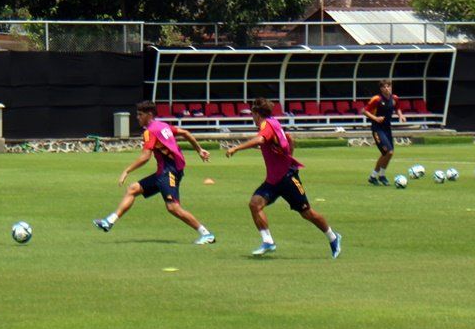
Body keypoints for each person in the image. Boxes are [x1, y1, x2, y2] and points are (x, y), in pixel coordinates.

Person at [225, 98, 341, 258]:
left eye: (252, 115)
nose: (252, 118)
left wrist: (236, 148)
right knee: (255, 204)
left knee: (307, 213)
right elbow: (289, 138)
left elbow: (260, 140)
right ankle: (268, 241)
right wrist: (287, 155)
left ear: (257, 114)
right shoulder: (274, 122)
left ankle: (333, 237)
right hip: (274, 179)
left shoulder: (266, 125)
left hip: (287, 178)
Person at [93, 101, 215, 245]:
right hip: (164, 172)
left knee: (173, 207)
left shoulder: (149, 132)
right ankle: (109, 221)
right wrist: (199, 150)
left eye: (140, 115)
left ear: (149, 115)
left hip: (169, 172)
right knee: (133, 189)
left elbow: (145, 157)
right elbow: (185, 132)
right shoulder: (162, 125)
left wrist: (127, 170)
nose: (137, 117)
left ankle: (206, 234)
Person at [363, 80, 406, 186]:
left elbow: (397, 108)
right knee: (388, 152)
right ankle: (376, 176)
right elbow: (364, 111)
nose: (387, 89)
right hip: (377, 129)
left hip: (387, 129)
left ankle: (377, 176)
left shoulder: (395, 98)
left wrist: (400, 115)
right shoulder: (376, 99)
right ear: (381, 89)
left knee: (388, 154)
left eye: (389, 86)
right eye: (385, 87)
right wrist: (375, 118)